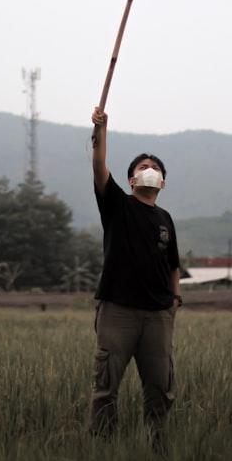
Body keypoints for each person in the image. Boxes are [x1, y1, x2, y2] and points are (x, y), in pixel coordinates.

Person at [87, 105, 181, 442]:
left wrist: (174, 301)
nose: (150, 171)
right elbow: (99, 166)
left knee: (160, 388)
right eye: (143, 167)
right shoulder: (117, 204)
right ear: (131, 180)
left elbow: (173, 264)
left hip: (158, 315)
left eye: (155, 168)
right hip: (118, 310)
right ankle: (102, 445)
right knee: (106, 386)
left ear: (163, 182)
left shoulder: (165, 219)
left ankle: (157, 446)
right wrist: (101, 130)